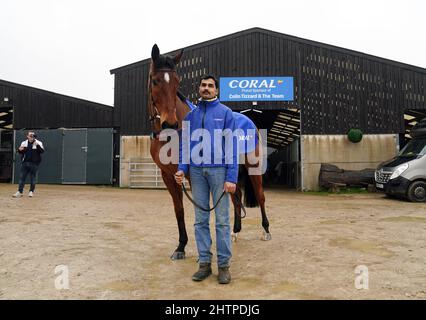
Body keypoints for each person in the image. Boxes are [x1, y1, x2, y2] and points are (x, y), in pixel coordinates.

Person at [175, 74, 238, 284]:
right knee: (200, 220)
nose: (207, 88)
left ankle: (223, 266)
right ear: (199, 88)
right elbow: (184, 146)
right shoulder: (189, 118)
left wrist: (231, 177)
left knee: (222, 221)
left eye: (211, 86)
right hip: (196, 173)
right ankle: (204, 264)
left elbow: (232, 148)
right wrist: (181, 169)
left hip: (219, 171)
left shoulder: (226, 114)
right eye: (203, 85)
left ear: (217, 91)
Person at [13, 131, 45, 198]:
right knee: (22, 178)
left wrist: (37, 145)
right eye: (30, 135)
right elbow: (21, 152)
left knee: (33, 178)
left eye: (33, 135)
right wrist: (19, 150)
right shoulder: (24, 143)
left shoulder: (39, 142)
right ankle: (20, 192)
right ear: (27, 136)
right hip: (25, 163)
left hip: (34, 164)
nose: (31, 137)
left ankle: (31, 191)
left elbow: (42, 151)